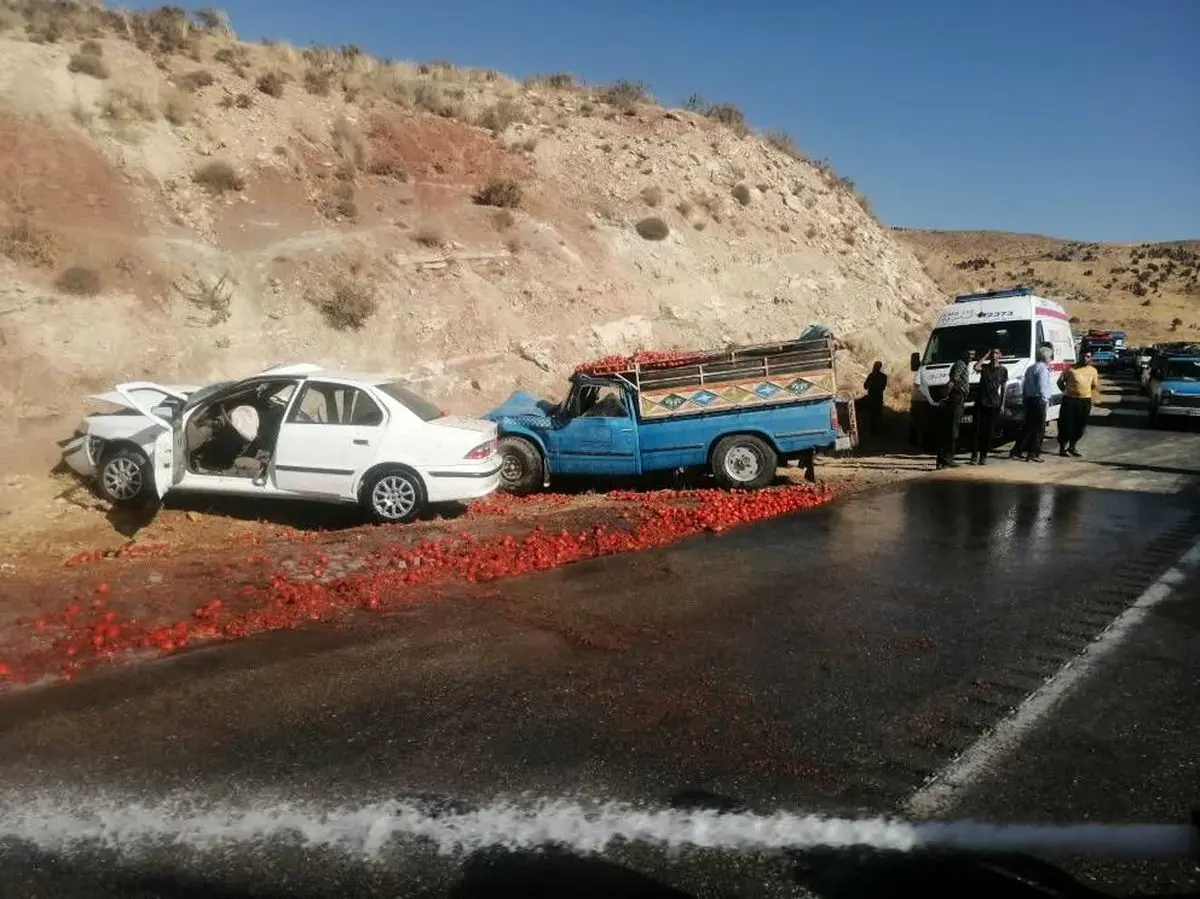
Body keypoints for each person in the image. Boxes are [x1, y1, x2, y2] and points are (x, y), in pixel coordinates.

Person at [1011, 346, 1054, 462]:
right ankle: (1033, 453)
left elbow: (1025, 386)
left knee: (1027, 427)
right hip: (1038, 400)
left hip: (1029, 399)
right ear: (1046, 357)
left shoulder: (1030, 368)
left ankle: (1016, 450)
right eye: (1050, 357)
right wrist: (1045, 400)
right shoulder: (1043, 369)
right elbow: (1042, 386)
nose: (1051, 359)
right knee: (1038, 429)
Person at [1058, 350, 1101, 457]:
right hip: (1069, 400)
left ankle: (1072, 447)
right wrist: (1066, 391)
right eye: (1083, 356)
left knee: (1080, 425)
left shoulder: (1093, 371)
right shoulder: (1070, 369)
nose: (1085, 358)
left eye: (1087, 356)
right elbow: (1060, 382)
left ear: (1091, 358)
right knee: (1066, 425)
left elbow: (1094, 386)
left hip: (1084, 401)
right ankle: (1062, 448)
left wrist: (1087, 394)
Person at [936, 347, 973, 469]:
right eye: (969, 354)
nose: (971, 356)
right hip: (956, 398)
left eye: (972, 354)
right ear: (963, 354)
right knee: (952, 431)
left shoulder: (964, 365)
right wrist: (944, 396)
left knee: (950, 429)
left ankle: (942, 460)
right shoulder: (960, 364)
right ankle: (947, 459)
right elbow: (952, 381)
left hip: (958, 398)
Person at [970, 347, 1008, 465]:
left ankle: (983, 455)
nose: (993, 355)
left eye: (996, 353)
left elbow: (1004, 388)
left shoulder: (1002, 370)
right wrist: (985, 356)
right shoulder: (985, 367)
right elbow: (975, 367)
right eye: (992, 353)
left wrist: (1002, 404)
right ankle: (974, 455)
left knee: (989, 432)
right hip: (981, 402)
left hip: (994, 404)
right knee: (977, 431)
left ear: (1000, 355)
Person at [862, 361, 887, 437]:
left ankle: (873, 432)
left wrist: (871, 384)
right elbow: (883, 387)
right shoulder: (883, 376)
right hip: (878, 398)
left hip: (872, 398)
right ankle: (877, 432)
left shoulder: (871, 375)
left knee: (872, 416)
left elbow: (865, 386)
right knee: (877, 415)